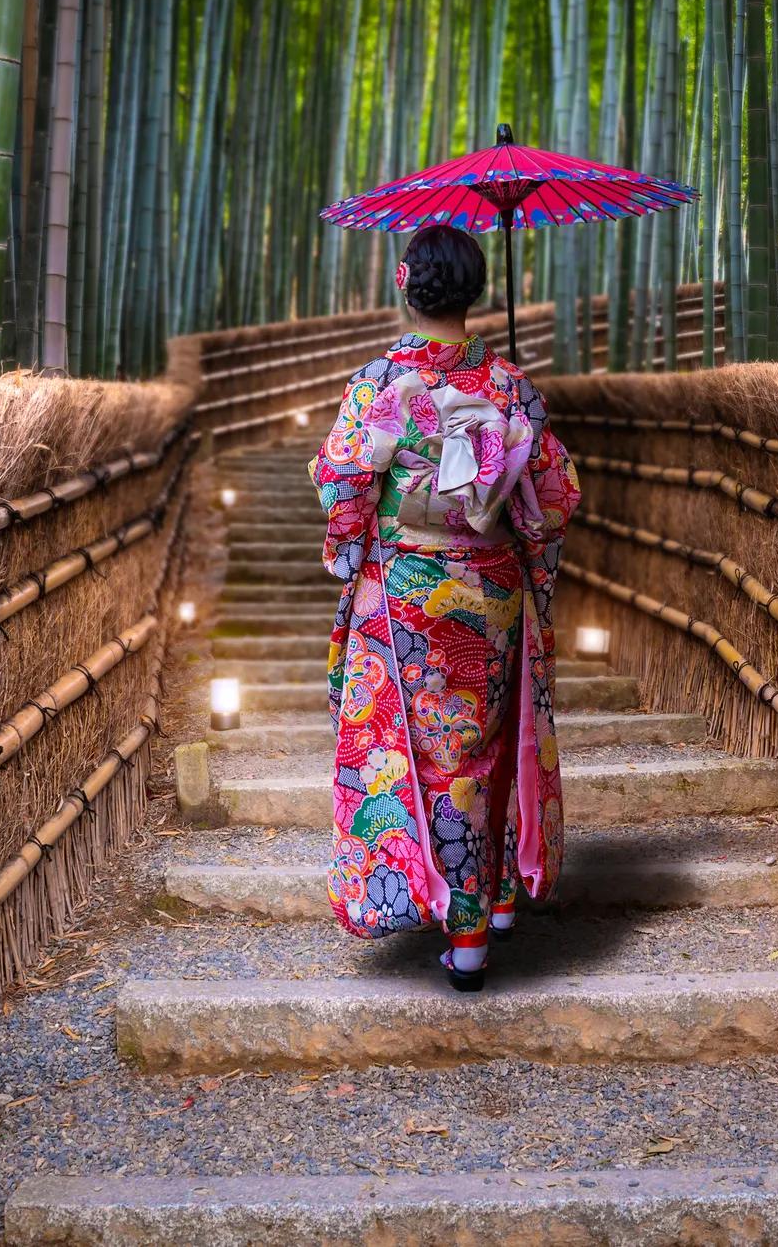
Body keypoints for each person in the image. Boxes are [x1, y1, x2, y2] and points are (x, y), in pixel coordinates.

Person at [309, 223, 581, 991]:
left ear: (404, 279)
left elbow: (342, 484)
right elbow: (554, 498)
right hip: (488, 587)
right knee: (484, 748)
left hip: (403, 591)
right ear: (477, 289)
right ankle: (490, 898)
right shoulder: (508, 386)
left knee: (422, 752)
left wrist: (353, 542)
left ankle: (462, 932)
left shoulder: (376, 381)